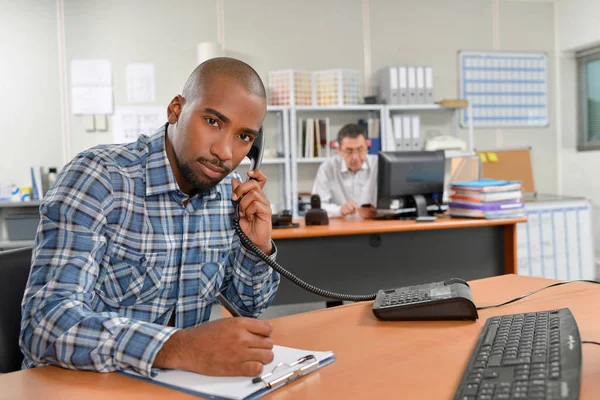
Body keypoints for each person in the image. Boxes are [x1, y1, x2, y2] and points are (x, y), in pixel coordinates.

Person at [20, 58, 280, 379]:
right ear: (175, 110)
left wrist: (257, 247)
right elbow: (44, 325)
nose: (225, 152)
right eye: (213, 121)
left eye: (244, 137)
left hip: (178, 385)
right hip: (85, 385)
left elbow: (248, 308)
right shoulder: (99, 178)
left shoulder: (229, 192)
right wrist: (180, 347)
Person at [311, 123, 378, 219]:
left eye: (360, 149)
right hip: (339, 229)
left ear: (367, 146)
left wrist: (378, 211)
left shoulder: (379, 165)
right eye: (349, 151)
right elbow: (317, 207)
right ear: (339, 150)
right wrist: (339, 210)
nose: (355, 157)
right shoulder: (328, 168)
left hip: (374, 227)